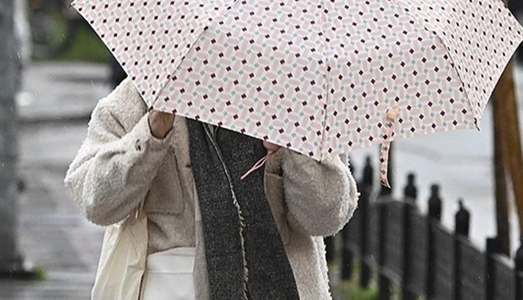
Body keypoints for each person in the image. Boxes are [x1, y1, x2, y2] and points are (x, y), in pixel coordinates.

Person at [65, 79, 358, 299]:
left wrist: (297, 143)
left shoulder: (297, 94)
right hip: (171, 288)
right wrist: (152, 131)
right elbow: (95, 200)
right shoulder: (142, 93)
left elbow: (325, 218)